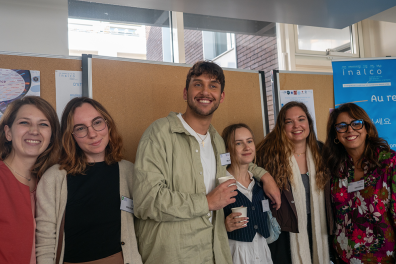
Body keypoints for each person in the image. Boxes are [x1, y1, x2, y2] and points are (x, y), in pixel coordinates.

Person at [132, 60, 280, 264]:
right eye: (197, 84)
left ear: (221, 96)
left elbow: (235, 163)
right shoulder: (159, 134)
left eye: (213, 86)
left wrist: (264, 175)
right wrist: (207, 202)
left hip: (214, 253)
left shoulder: (218, 142)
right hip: (175, 256)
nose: (205, 91)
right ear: (186, 93)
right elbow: (146, 201)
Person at [35, 97, 142, 264]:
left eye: (97, 122)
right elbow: (45, 238)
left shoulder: (129, 172)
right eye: (80, 128)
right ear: (71, 135)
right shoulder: (54, 178)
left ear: (107, 124)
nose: (92, 134)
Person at [256, 101, 330, 264]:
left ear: (309, 123)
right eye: (289, 121)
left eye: (301, 119)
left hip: (318, 227)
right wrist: (265, 176)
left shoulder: (322, 151)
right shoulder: (269, 154)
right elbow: (242, 163)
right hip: (284, 231)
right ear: (281, 127)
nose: (296, 125)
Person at [323, 103, 396, 264]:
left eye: (356, 123)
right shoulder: (335, 168)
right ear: (335, 134)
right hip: (344, 257)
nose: (350, 130)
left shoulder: (389, 162)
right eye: (342, 126)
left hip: (382, 258)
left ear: (367, 128)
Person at [0, 96, 61, 264]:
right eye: (24, 122)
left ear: (51, 137)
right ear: (8, 133)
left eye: (43, 124)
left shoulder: (51, 182)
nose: (34, 131)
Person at [222, 123, 273, 264]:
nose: (247, 147)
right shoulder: (220, 184)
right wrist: (223, 226)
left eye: (249, 141)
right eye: (239, 143)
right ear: (227, 150)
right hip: (235, 254)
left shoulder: (260, 183)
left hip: (262, 252)